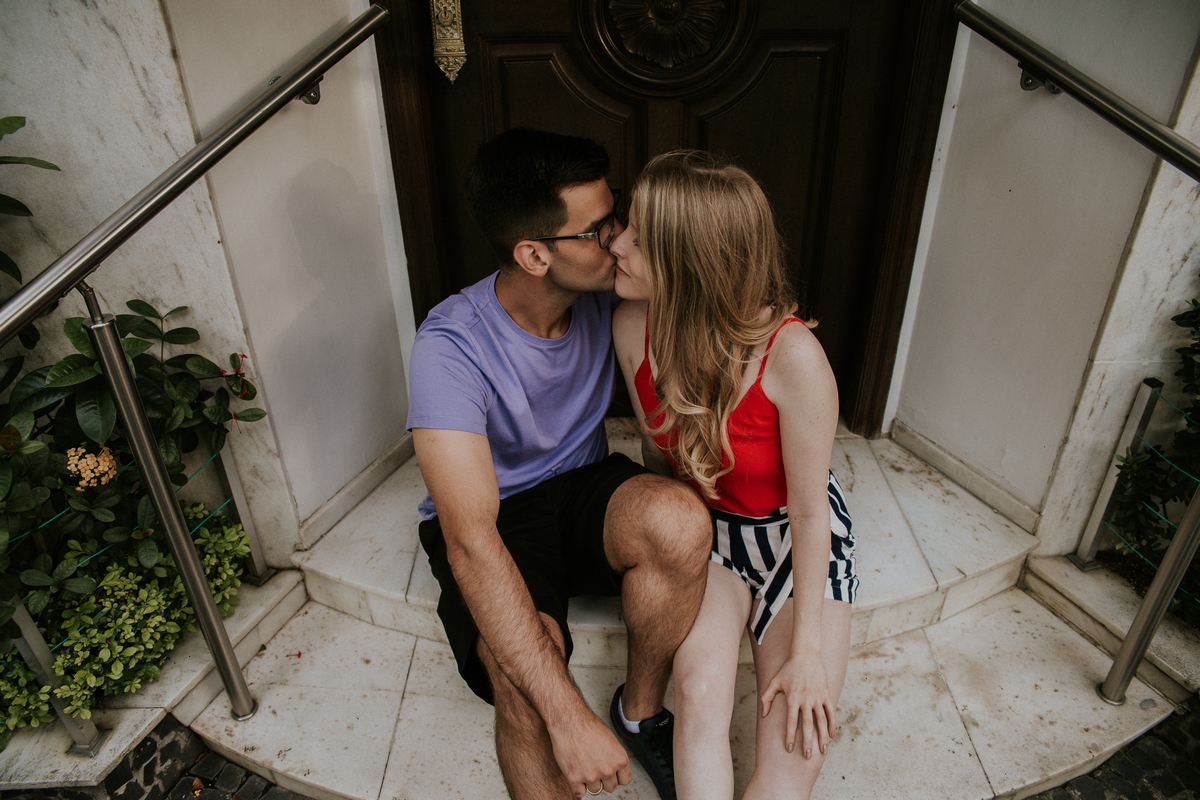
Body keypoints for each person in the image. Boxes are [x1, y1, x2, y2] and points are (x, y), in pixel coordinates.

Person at [406, 129, 712, 800]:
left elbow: (712, 283)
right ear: (535, 254)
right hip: (500, 520)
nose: (622, 239)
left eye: (618, 216)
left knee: (682, 521)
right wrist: (566, 715)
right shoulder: (451, 344)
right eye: (599, 229)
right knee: (523, 686)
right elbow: (470, 538)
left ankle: (639, 713)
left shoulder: (612, 293)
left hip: (584, 487)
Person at [610, 150, 859, 800]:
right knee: (696, 695)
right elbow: (660, 459)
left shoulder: (792, 355)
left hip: (790, 538)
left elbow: (810, 515)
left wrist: (806, 650)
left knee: (794, 749)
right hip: (712, 539)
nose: (617, 244)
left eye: (638, 234)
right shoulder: (632, 325)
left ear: (684, 258)